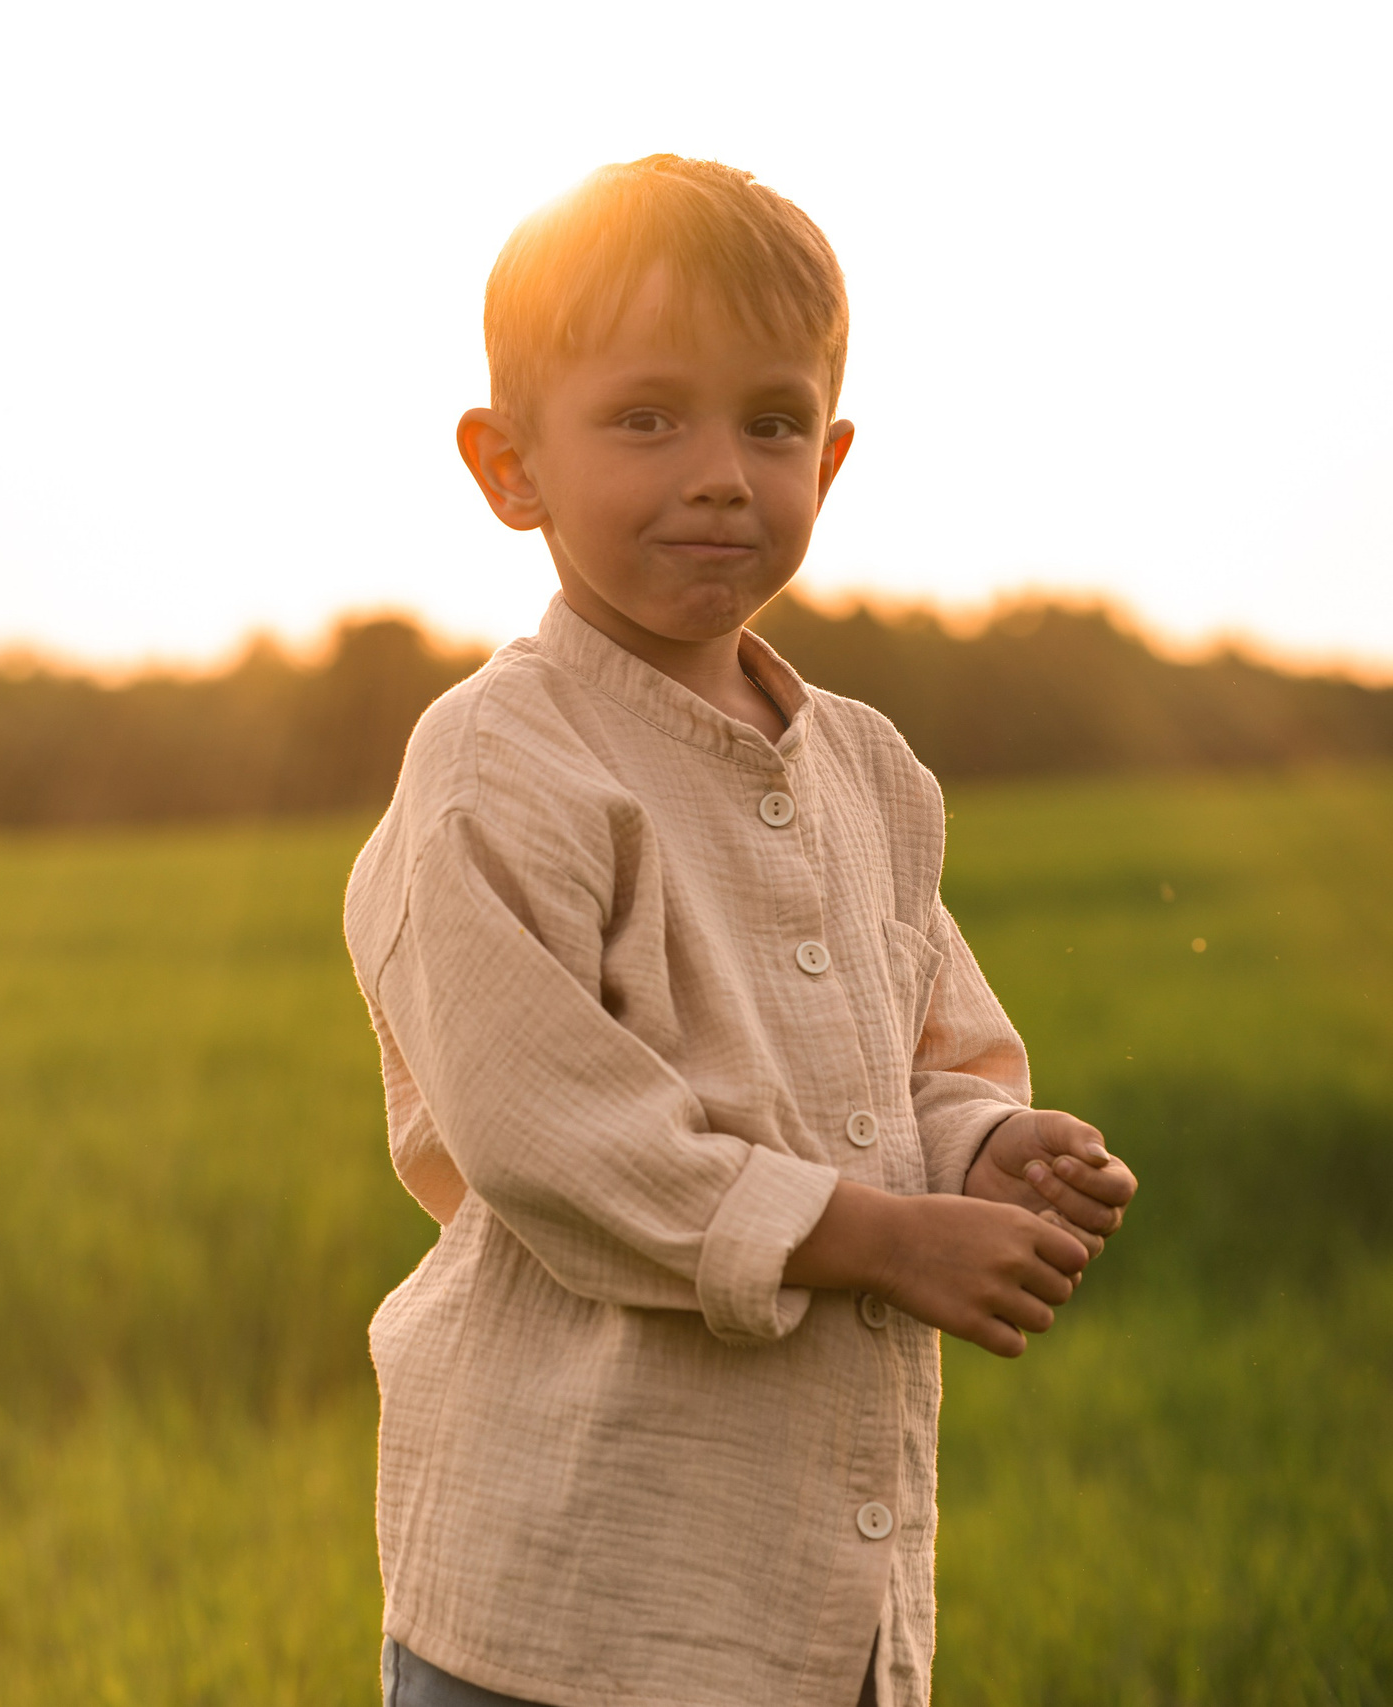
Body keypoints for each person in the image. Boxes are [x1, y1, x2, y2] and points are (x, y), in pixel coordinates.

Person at [344, 155, 1140, 1707]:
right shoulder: (501, 761)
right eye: (647, 418)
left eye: (771, 422)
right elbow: (556, 1136)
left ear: (830, 463)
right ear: (510, 467)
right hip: (568, 1599)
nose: (721, 471)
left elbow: (911, 1058)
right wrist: (887, 1236)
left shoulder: (867, 771)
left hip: (814, 1590)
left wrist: (982, 1147)